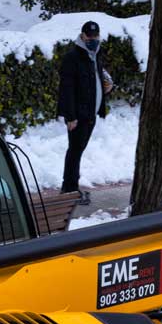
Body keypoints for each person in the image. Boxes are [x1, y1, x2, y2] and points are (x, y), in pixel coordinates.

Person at [57, 20, 114, 202]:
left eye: (95, 36)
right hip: (79, 115)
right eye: (89, 36)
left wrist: (105, 88)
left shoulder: (95, 54)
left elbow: (95, 79)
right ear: (82, 36)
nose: (93, 39)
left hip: (90, 113)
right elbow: (67, 89)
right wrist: (70, 116)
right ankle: (69, 189)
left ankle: (71, 187)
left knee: (77, 150)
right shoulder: (73, 57)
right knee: (75, 150)